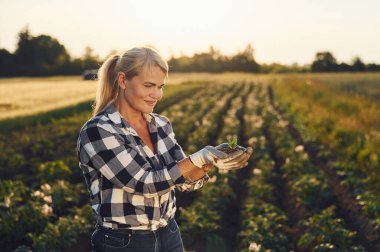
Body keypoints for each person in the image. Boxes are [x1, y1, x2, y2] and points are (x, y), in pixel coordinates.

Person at [76, 46, 253, 252]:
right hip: (124, 242)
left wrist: (210, 161)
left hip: (169, 233)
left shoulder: (160, 124)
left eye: (161, 86)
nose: (156, 95)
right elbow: (143, 183)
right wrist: (197, 158)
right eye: (149, 85)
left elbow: (185, 181)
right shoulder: (99, 130)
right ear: (123, 80)